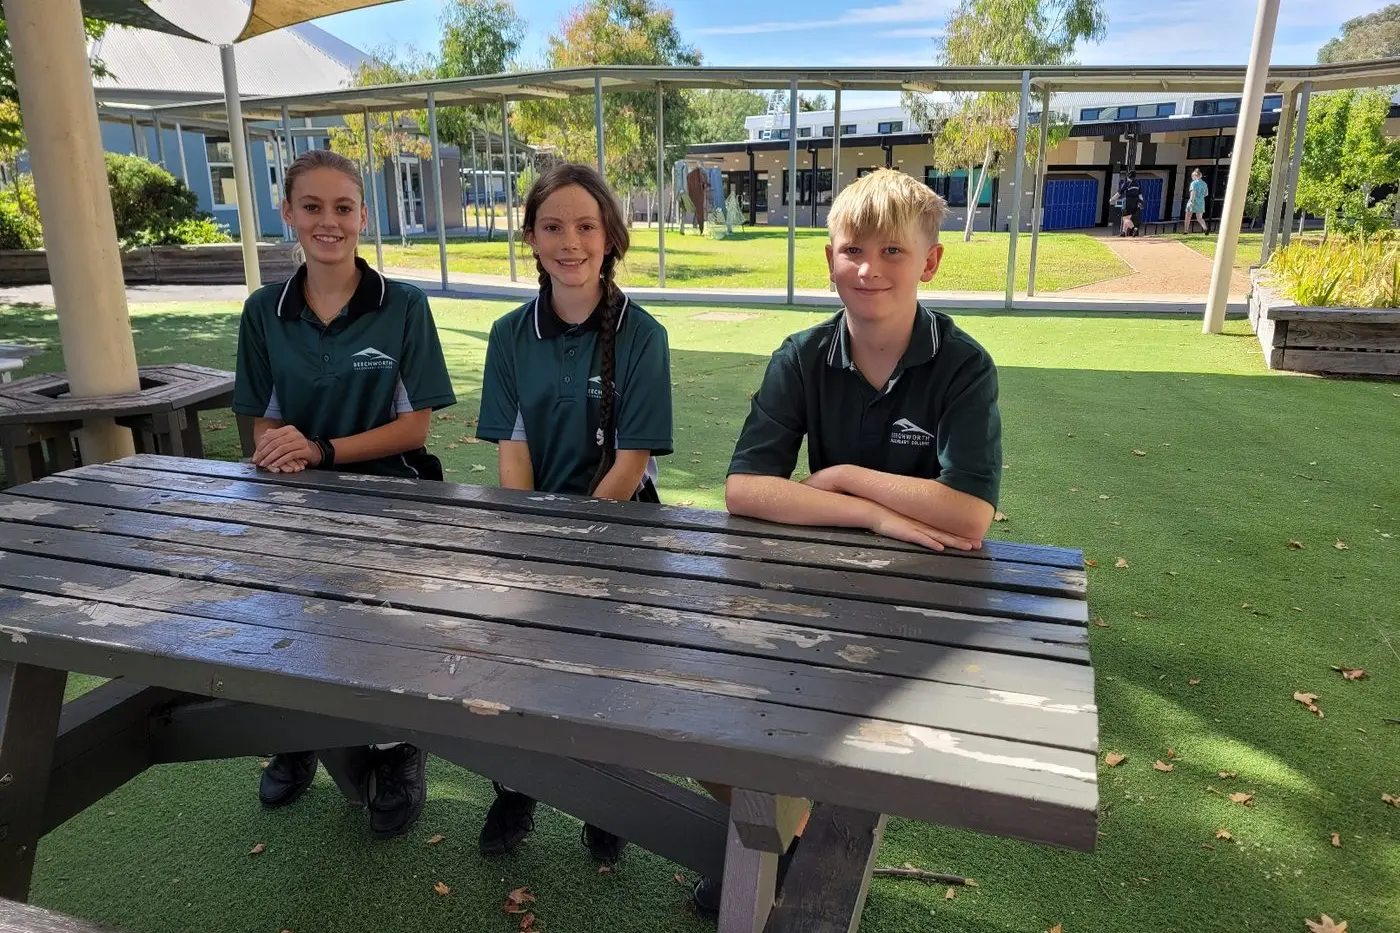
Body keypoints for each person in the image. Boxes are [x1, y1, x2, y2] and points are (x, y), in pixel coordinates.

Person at [692, 169, 1002, 914]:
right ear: (828, 257)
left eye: (893, 252)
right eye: (852, 250)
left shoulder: (963, 365)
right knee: (699, 710)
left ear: (929, 262)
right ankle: (779, 842)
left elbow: (968, 515)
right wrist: (875, 515)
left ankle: (784, 849)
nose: (869, 269)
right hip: (815, 587)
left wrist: (846, 475)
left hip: (924, 604)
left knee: (853, 744)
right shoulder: (802, 355)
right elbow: (745, 489)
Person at [232, 149, 456, 838]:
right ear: (289, 213)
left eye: (343, 208)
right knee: (288, 622)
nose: (329, 222)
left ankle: (396, 751)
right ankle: (294, 737)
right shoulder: (263, 310)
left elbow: (414, 426)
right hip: (293, 498)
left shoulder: (405, 307)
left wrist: (323, 450)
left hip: (391, 496)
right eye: (313, 207)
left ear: (363, 215)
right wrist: (277, 448)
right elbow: (261, 416)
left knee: (380, 633)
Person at [475, 163, 673, 864]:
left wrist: (573, 546)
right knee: (516, 664)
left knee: (609, 677)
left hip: (621, 533)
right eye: (553, 226)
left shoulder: (643, 334)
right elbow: (514, 453)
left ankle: (609, 799)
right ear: (530, 237)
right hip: (532, 530)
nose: (570, 242)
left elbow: (628, 466)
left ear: (610, 236)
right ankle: (515, 787)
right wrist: (531, 542)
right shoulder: (508, 334)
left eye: (586, 226)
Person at [1186, 168, 1209, 233]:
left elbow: (1193, 193)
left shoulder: (1193, 183)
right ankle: (1205, 228)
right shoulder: (1204, 184)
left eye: (1192, 176)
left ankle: (1185, 230)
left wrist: (1191, 201)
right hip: (1201, 202)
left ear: (1194, 176)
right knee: (1199, 218)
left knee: (1188, 217)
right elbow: (1206, 194)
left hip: (1193, 201)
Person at [1119, 171, 1142, 237]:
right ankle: (1123, 232)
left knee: (1125, 219)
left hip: (1128, 203)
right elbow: (1140, 195)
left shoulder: (1127, 183)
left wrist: (1112, 199)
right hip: (1135, 203)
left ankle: (1134, 228)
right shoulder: (1138, 184)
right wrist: (1141, 202)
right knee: (1127, 218)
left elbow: (1119, 193)